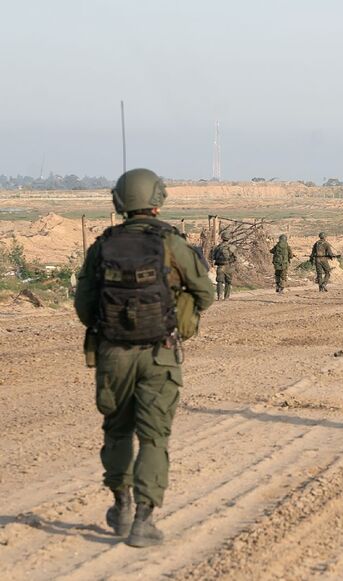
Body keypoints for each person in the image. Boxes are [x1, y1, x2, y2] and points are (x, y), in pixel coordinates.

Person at [74, 168, 215, 547]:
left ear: (119, 201)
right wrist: (179, 314)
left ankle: (120, 507)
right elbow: (205, 293)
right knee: (153, 438)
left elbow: (84, 308)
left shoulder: (102, 245)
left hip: (112, 354)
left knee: (117, 431)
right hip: (160, 354)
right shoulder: (172, 243)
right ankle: (143, 521)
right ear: (157, 200)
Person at [211, 230, 237, 300]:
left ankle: (219, 296)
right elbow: (235, 258)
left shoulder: (217, 247)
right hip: (228, 266)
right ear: (229, 238)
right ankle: (226, 297)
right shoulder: (232, 247)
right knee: (228, 282)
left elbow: (213, 257)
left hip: (220, 266)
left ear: (222, 238)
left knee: (219, 281)